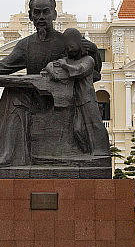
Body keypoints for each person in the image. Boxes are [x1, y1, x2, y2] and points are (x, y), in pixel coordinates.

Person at [0, 0, 101, 166]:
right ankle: (7, 155)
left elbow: (92, 70)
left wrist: (94, 51)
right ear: (30, 16)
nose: (41, 17)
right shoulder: (26, 44)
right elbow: (5, 65)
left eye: (45, 12)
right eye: (37, 13)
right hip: (35, 96)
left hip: (61, 99)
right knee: (14, 94)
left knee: (15, 94)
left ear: (54, 15)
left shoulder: (65, 42)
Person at [42, 28, 110, 158]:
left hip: (87, 99)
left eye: (71, 47)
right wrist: (51, 68)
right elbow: (51, 65)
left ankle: (101, 152)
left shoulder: (88, 60)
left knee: (95, 125)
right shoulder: (69, 60)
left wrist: (64, 66)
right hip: (75, 100)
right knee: (78, 129)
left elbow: (79, 70)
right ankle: (86, 153)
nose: (69, 50)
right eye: (67, 47)